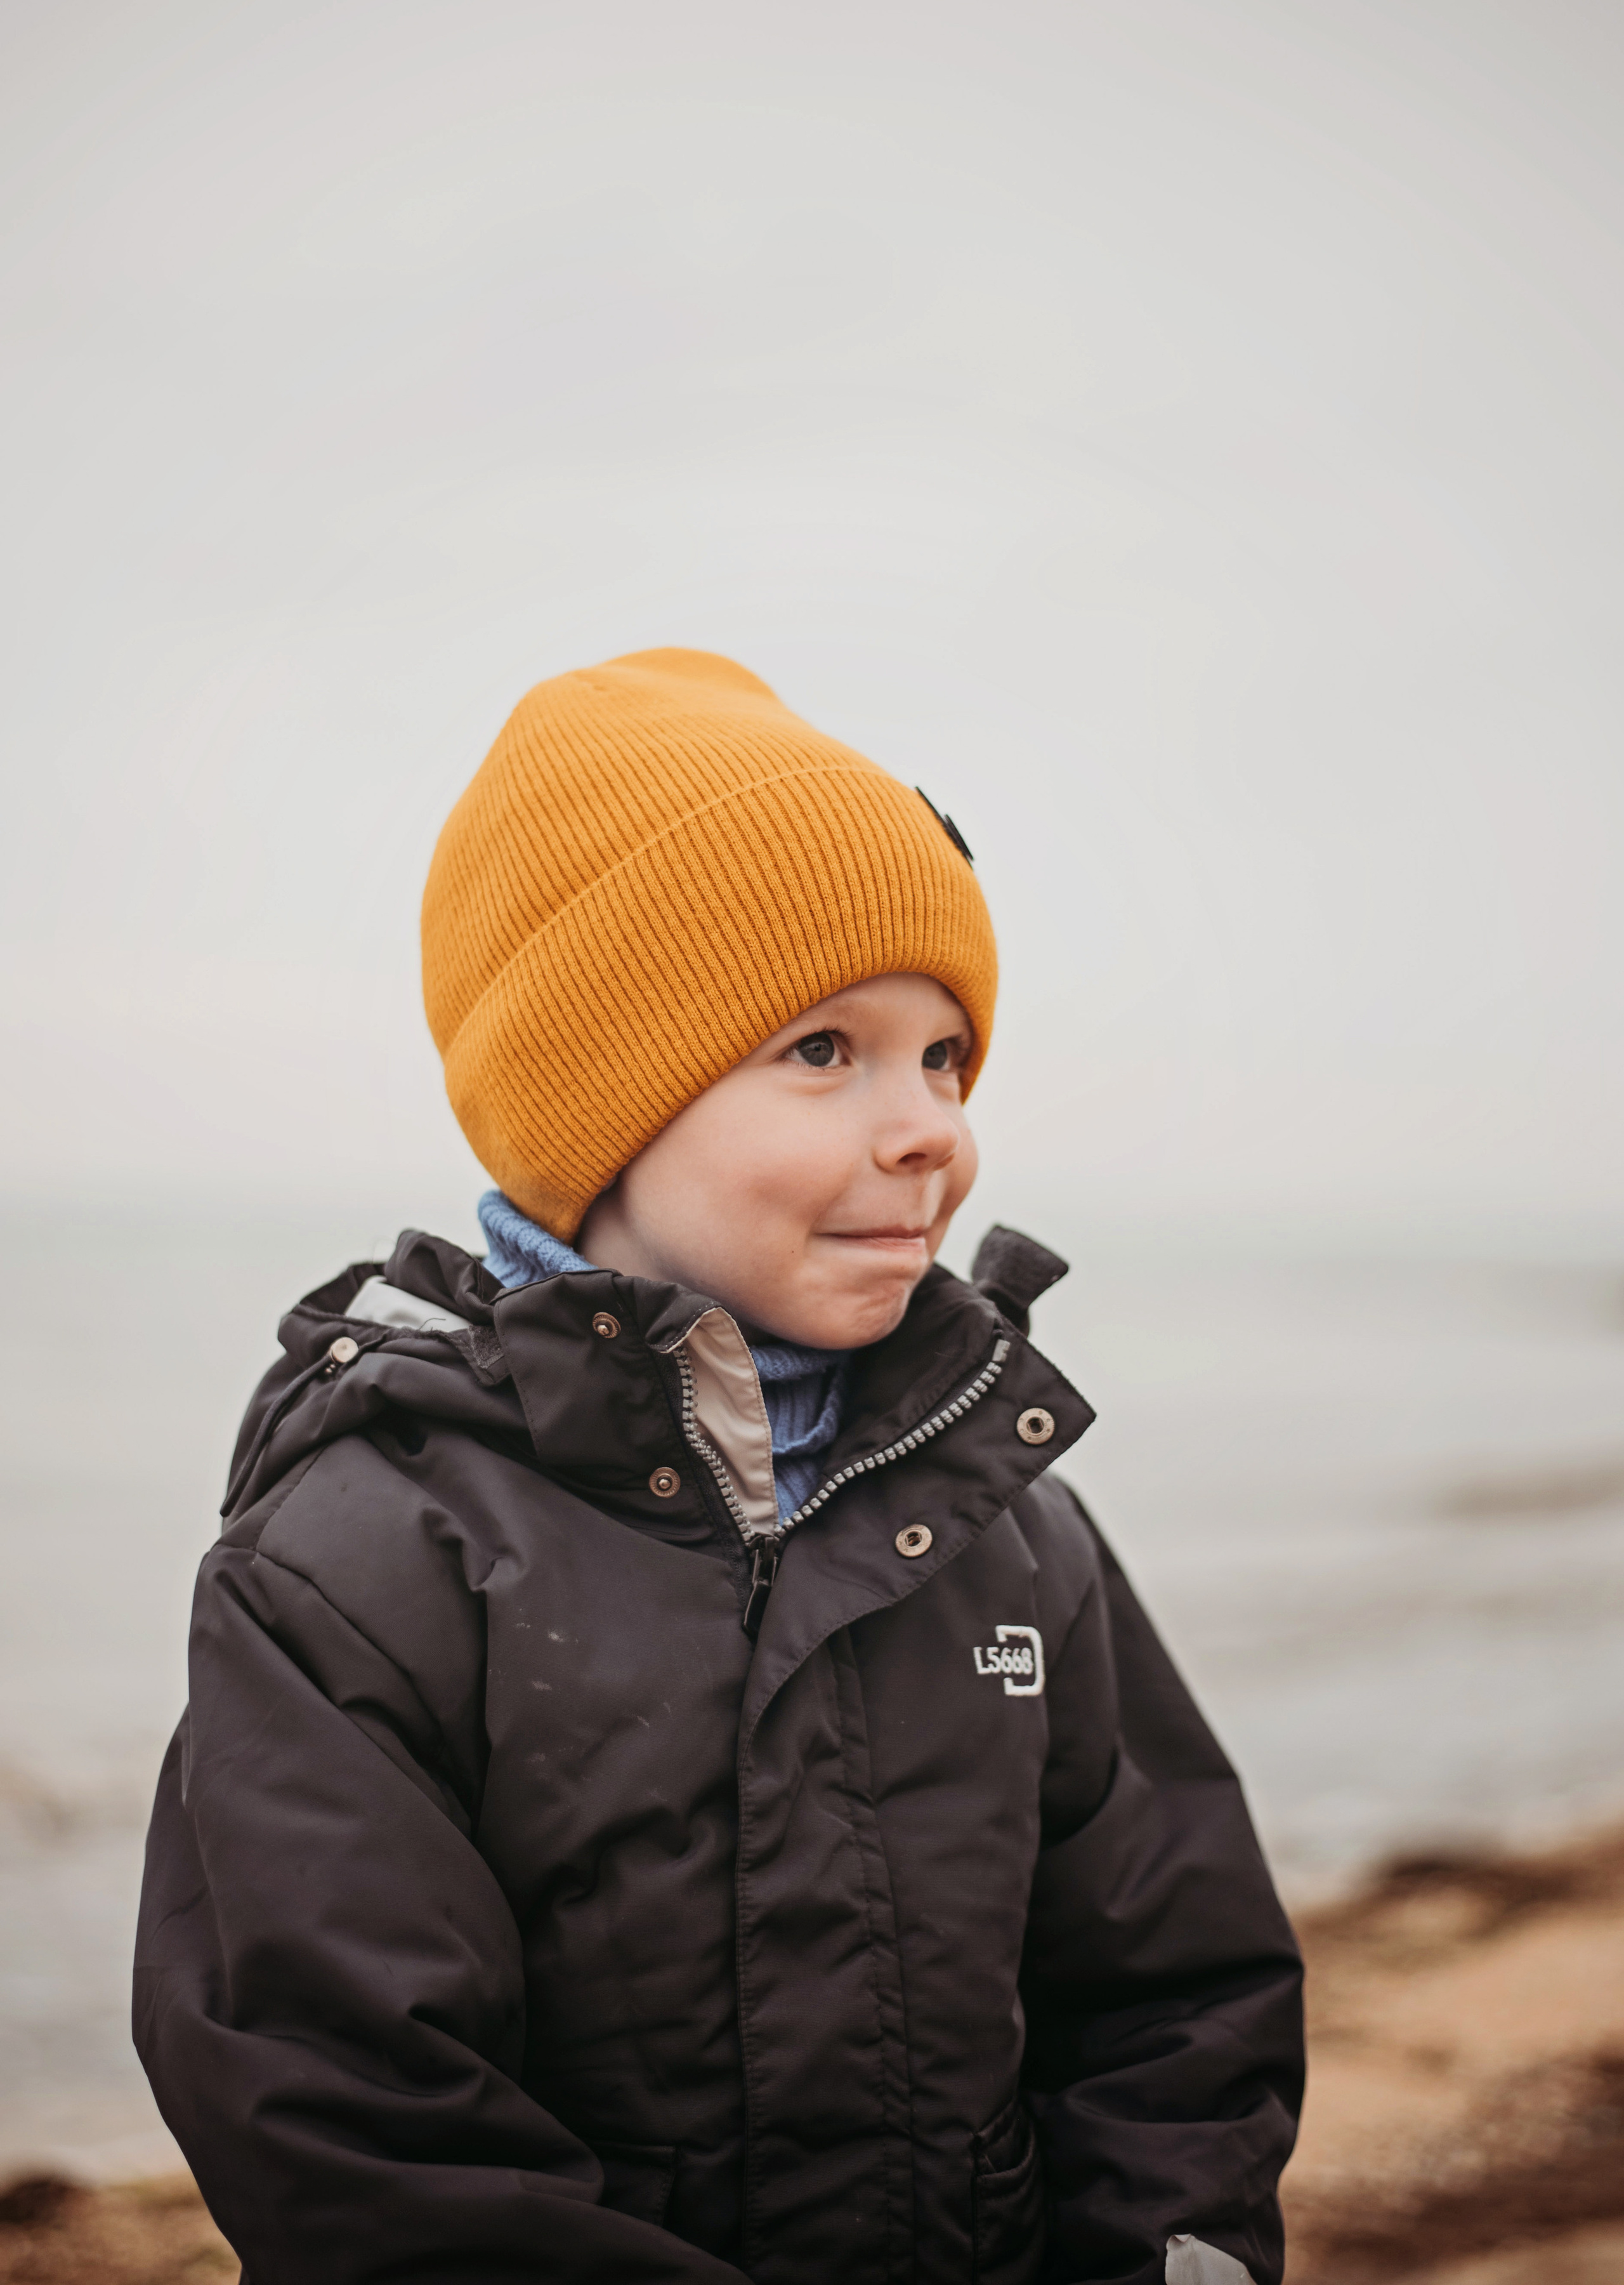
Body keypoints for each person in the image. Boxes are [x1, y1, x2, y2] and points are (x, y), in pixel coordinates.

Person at [135, 649, 1303, 2285]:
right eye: (825, 1049)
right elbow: (352, 2123)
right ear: (600, 1109)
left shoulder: (1009, 1526)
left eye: (945, 1055)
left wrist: (1170, 2253)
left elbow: (1178, 1995)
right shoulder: (358, 1563)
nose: (931, 1130)